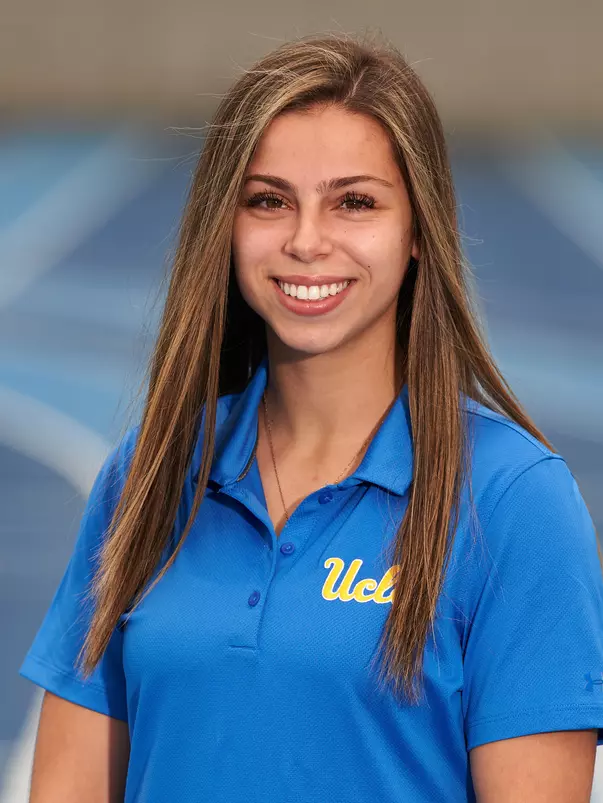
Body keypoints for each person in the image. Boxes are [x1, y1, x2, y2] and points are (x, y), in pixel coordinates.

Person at [19, 31, 603, 803]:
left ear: (419, 232)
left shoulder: (511, 499)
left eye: (353, 202)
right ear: (225, 227)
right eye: (269, 200)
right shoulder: (153, 470)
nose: (305, 240)